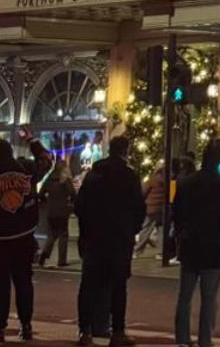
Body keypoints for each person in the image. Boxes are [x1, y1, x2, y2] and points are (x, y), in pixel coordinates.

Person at [0, 136, 51, 343]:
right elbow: (47, 160)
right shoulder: (26, 171)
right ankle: (26, 325)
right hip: (23, 235)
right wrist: (33, 141)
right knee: (23, 283)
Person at [74, 133, 146, 347]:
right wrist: (131, 230)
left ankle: (85, 330)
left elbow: (80, 206)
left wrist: (85, 232)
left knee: (88, 285)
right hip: (119, 239)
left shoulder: (94, 175)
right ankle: (118, 331)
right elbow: (139, 209)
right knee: (118, 287)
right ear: (126, 151)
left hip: (94, 238)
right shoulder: (129, 176)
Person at [172, 138, 220, 347]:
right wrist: (219, 232)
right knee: (209, 299)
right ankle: (205, 339)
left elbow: (177, 213)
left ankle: (182, 338)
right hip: (213, 247)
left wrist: (183, 231)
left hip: (190, 244)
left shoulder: (187, 183)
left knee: (185, 296)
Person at [38, 159, 76, 268]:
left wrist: (47, 201)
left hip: (51, 211)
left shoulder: (49, 179)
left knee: (52, 234)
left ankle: (44, 254)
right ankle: (61, 260)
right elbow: (72, 194)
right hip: (63, 210)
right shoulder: (65, 180)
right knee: (63, 235)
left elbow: (41, 194)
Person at [134, 163, 166, 254]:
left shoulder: (152, 180)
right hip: (162, 209)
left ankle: (138, 249)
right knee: (161, 231)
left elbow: (144, 192)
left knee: (146, 229)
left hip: (151, 208)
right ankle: (162, 251)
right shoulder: (169, 180)